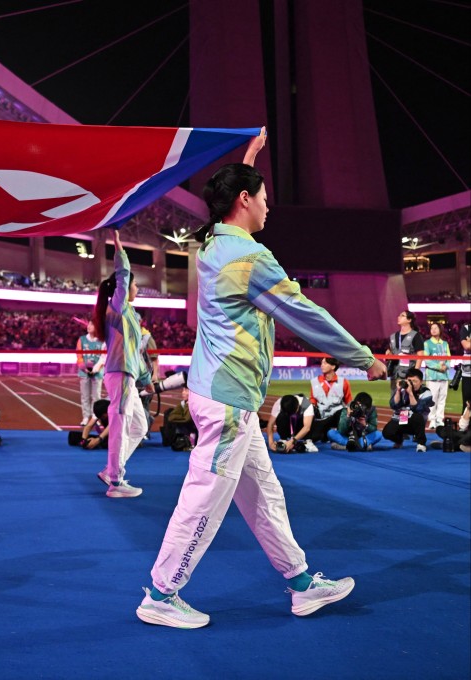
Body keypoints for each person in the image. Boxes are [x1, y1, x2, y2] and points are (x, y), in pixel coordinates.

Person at [136, 130, 388, 630]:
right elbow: (304, 314)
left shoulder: (213, 246)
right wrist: (363, 358)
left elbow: (222, 212)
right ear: (245, 201)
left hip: (228, 396)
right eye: (264, 198)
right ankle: (162, 594)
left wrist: (248, 160)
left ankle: (300, 586)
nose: (270, 208)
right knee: (204, 498)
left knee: (265, 496)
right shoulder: (251, 259)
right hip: (228, 400)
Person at [93, 230, 152, 498]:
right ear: (124, 290)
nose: (137, 288)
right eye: (135, 285)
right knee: (120, 424)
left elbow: (135, 353)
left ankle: (111, 469)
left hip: (128, 375)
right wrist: (119, 248)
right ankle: (116, 482)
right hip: (120, 375)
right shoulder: (117, 307)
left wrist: (146, 379)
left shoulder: (129, 314)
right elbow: (123, 274)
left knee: (139, 426)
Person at [382, 367, 433, 452]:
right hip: (403, 417)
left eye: (415, 381)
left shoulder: (426, 392)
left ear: (421, 382)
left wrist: (410, 393)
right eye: (410, 381)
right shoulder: (403, 390)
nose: (412, 384)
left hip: (417, 422)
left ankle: (421, 443)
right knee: (387, 432)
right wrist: (398, 391)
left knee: (418, 416)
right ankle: (399, 440)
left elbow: (418, 409)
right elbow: (393, 405)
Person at [308, 357, 352, 442]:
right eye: (321, 363)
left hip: (337, 417)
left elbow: (349, 401)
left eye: (325, 363)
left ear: (333, 366)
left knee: (344, 413)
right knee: (315, 437)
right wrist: (312, 406)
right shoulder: (315, 381)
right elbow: (313, 398)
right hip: (321, 416)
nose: (321, 366)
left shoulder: (344, 382)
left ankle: (342, 433)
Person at [76, 320, 105, 426]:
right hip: (84, 373)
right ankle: (85, 417)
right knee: (85, 396)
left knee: (96, 397)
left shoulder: (102, 341)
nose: (89, 326)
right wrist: (84, 367)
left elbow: (103, 357)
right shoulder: (82, 340)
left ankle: (95, 417)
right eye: (88, 324)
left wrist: (96, 369)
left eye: (92, 324)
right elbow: (79, 356)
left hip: (97, 373)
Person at [387, 311, 424, 392]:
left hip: (409, 374)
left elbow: (420, 355)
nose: (399, 317)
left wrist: (415, 373)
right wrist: (388, 355)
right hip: (395, 374)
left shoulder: (416, 336)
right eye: (399, 315)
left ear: (409, 320)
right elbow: (389, 351)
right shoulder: (393, 336)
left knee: (408, 400)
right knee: (395, 400)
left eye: (402, 315)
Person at [422, 322, 450, 429]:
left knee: (442, 398)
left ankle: (439, 419)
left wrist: (446, 366)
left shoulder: (445, 344)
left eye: (436, 328)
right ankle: (432, 420)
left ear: (440, 330)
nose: (433, 330)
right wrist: (439, 366)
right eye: (432, 328)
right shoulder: (427, 343)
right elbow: (427, 360)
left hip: (444, 376)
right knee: (432, 399)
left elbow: (449, 358)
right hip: (432, 376)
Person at [160, 387, 196, 452]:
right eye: (183, 390)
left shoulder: (195, 404)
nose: (183, 393)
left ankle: (193, 441)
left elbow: (187, 419)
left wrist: (182, 414)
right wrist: (182, 415)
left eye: (186, 391)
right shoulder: (182, 403)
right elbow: (171, 417)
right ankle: (186, 440)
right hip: (188, 426)